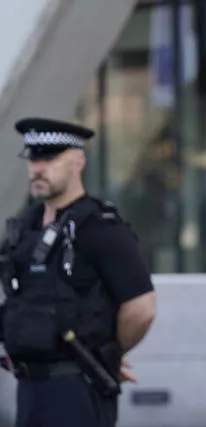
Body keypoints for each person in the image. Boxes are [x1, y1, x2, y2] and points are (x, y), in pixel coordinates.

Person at [0, 117, 157, 427]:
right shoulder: (25, 227)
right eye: (33, 158)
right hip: (29, 386)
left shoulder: (100, 227)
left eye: (49, 158)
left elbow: (142, 308)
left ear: (77, 162)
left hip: (76, 388)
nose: (38, 168)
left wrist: (106, 352)